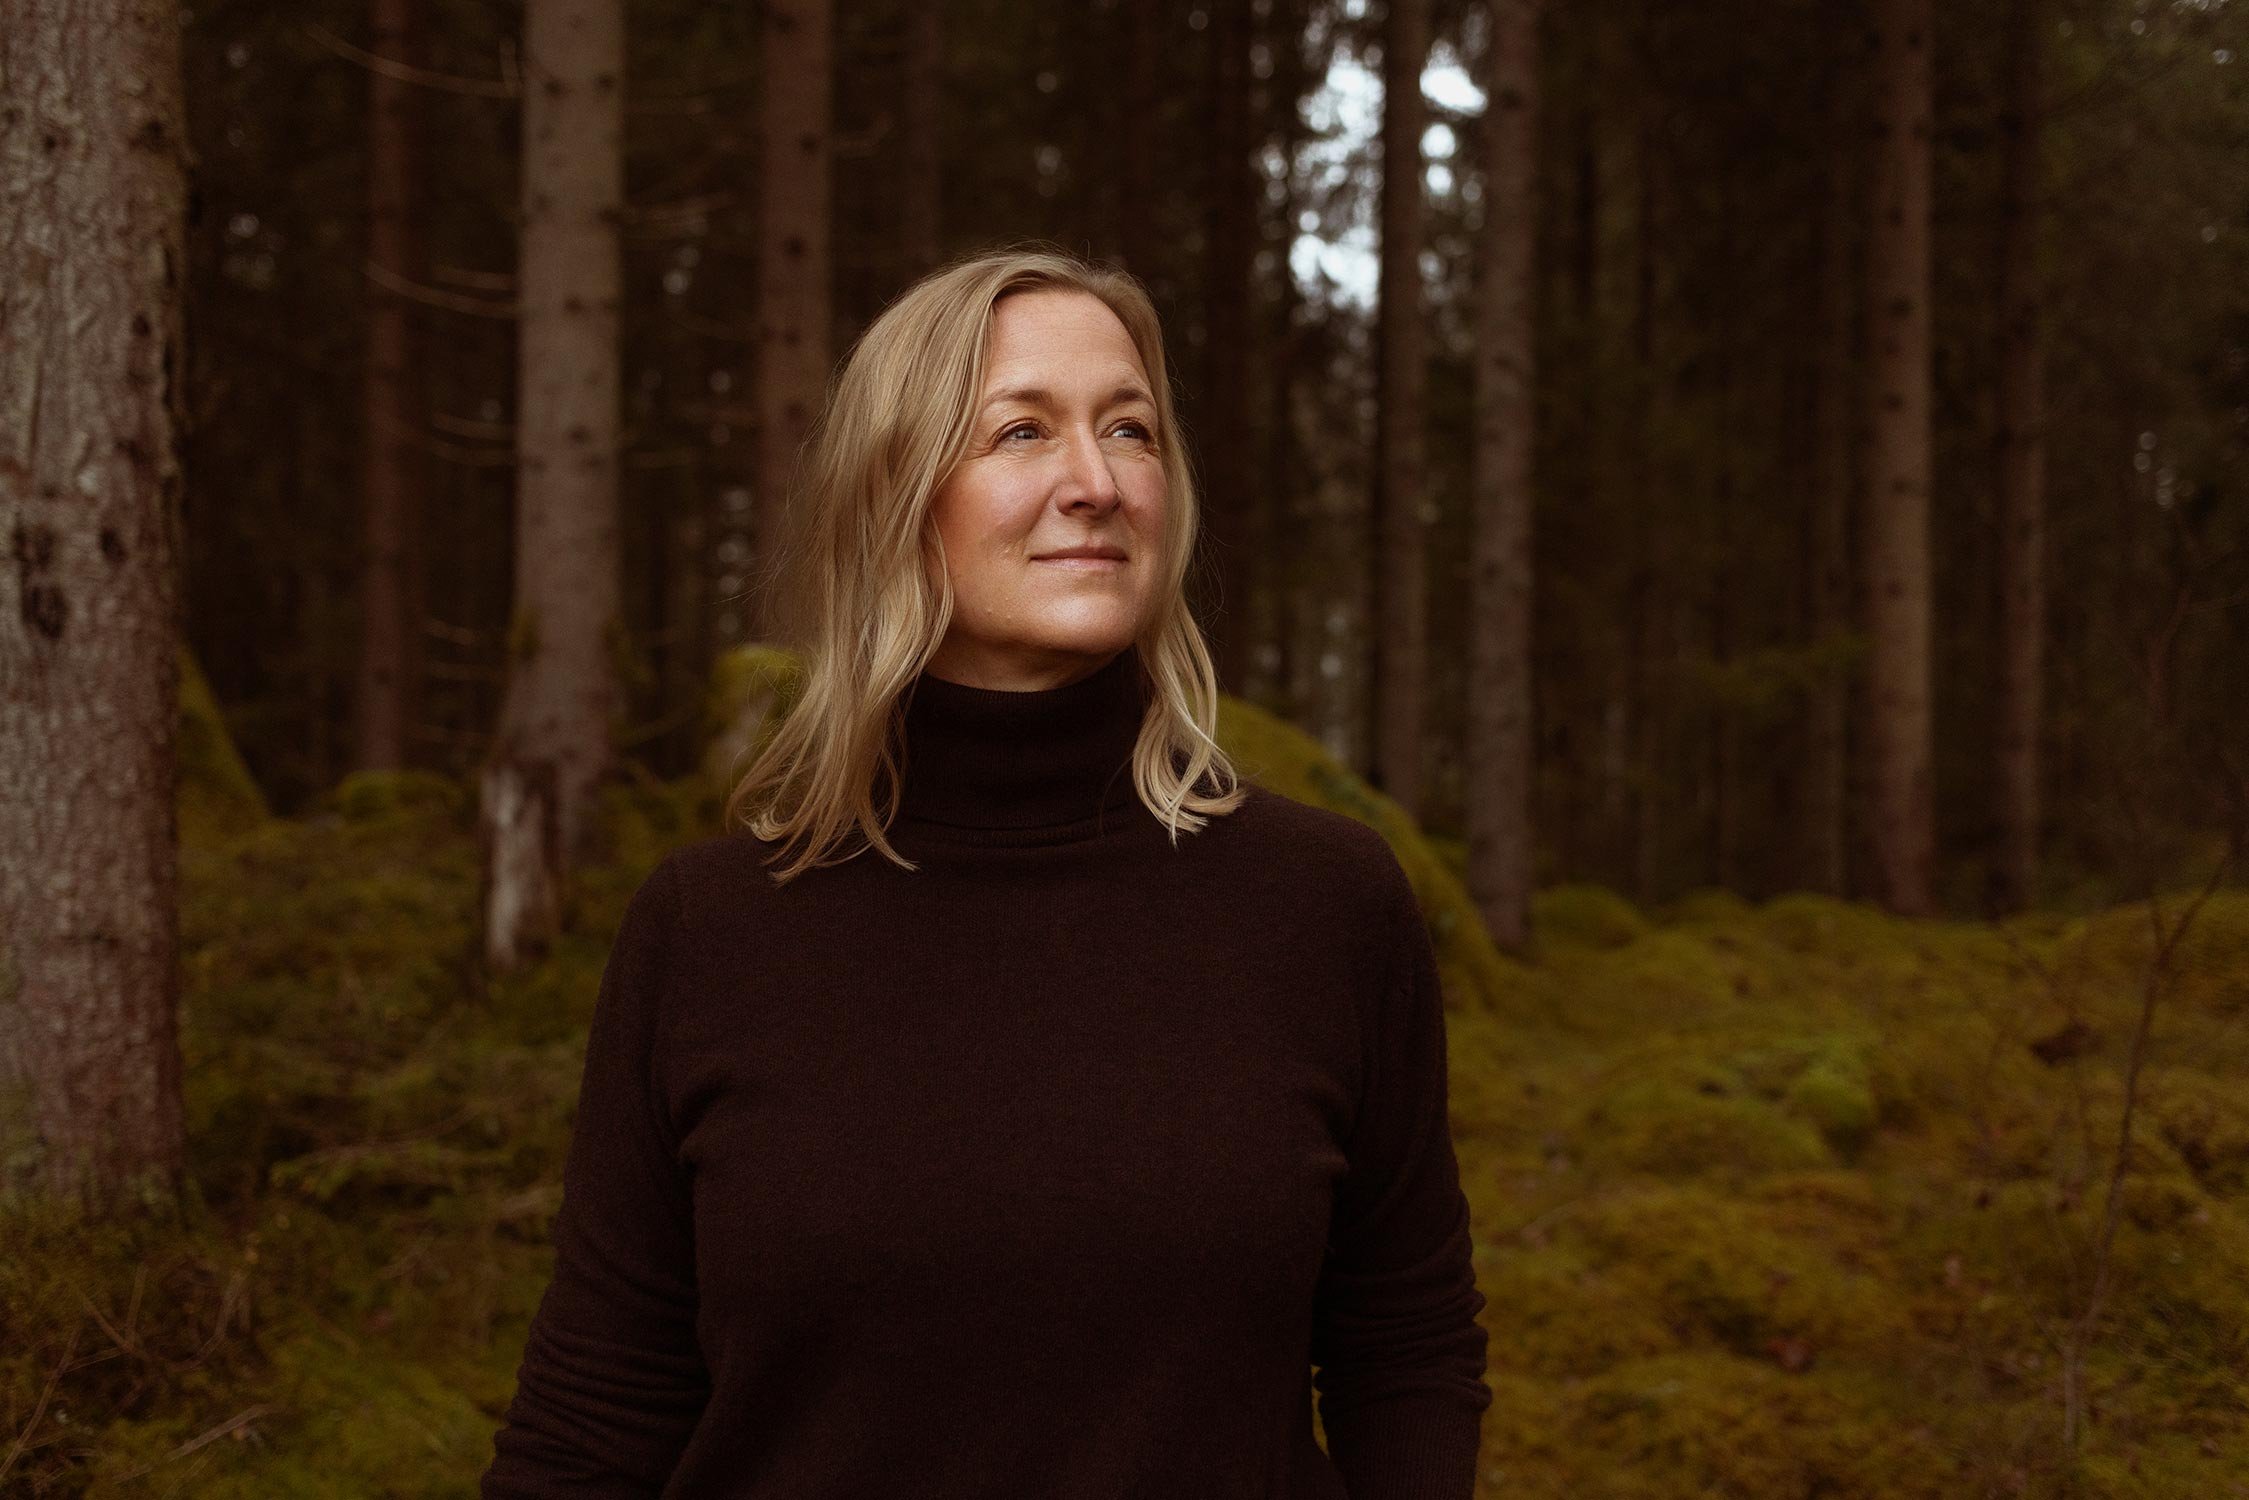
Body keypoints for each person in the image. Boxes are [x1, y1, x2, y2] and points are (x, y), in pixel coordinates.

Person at [479, 245, 1491, 1499]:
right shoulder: (713, 929)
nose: (1095, 482)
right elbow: (597, 1410)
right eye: (1021, 431)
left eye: (1129, 429)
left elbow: (1404, 1347)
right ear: (894, 492)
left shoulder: (1321, 904)